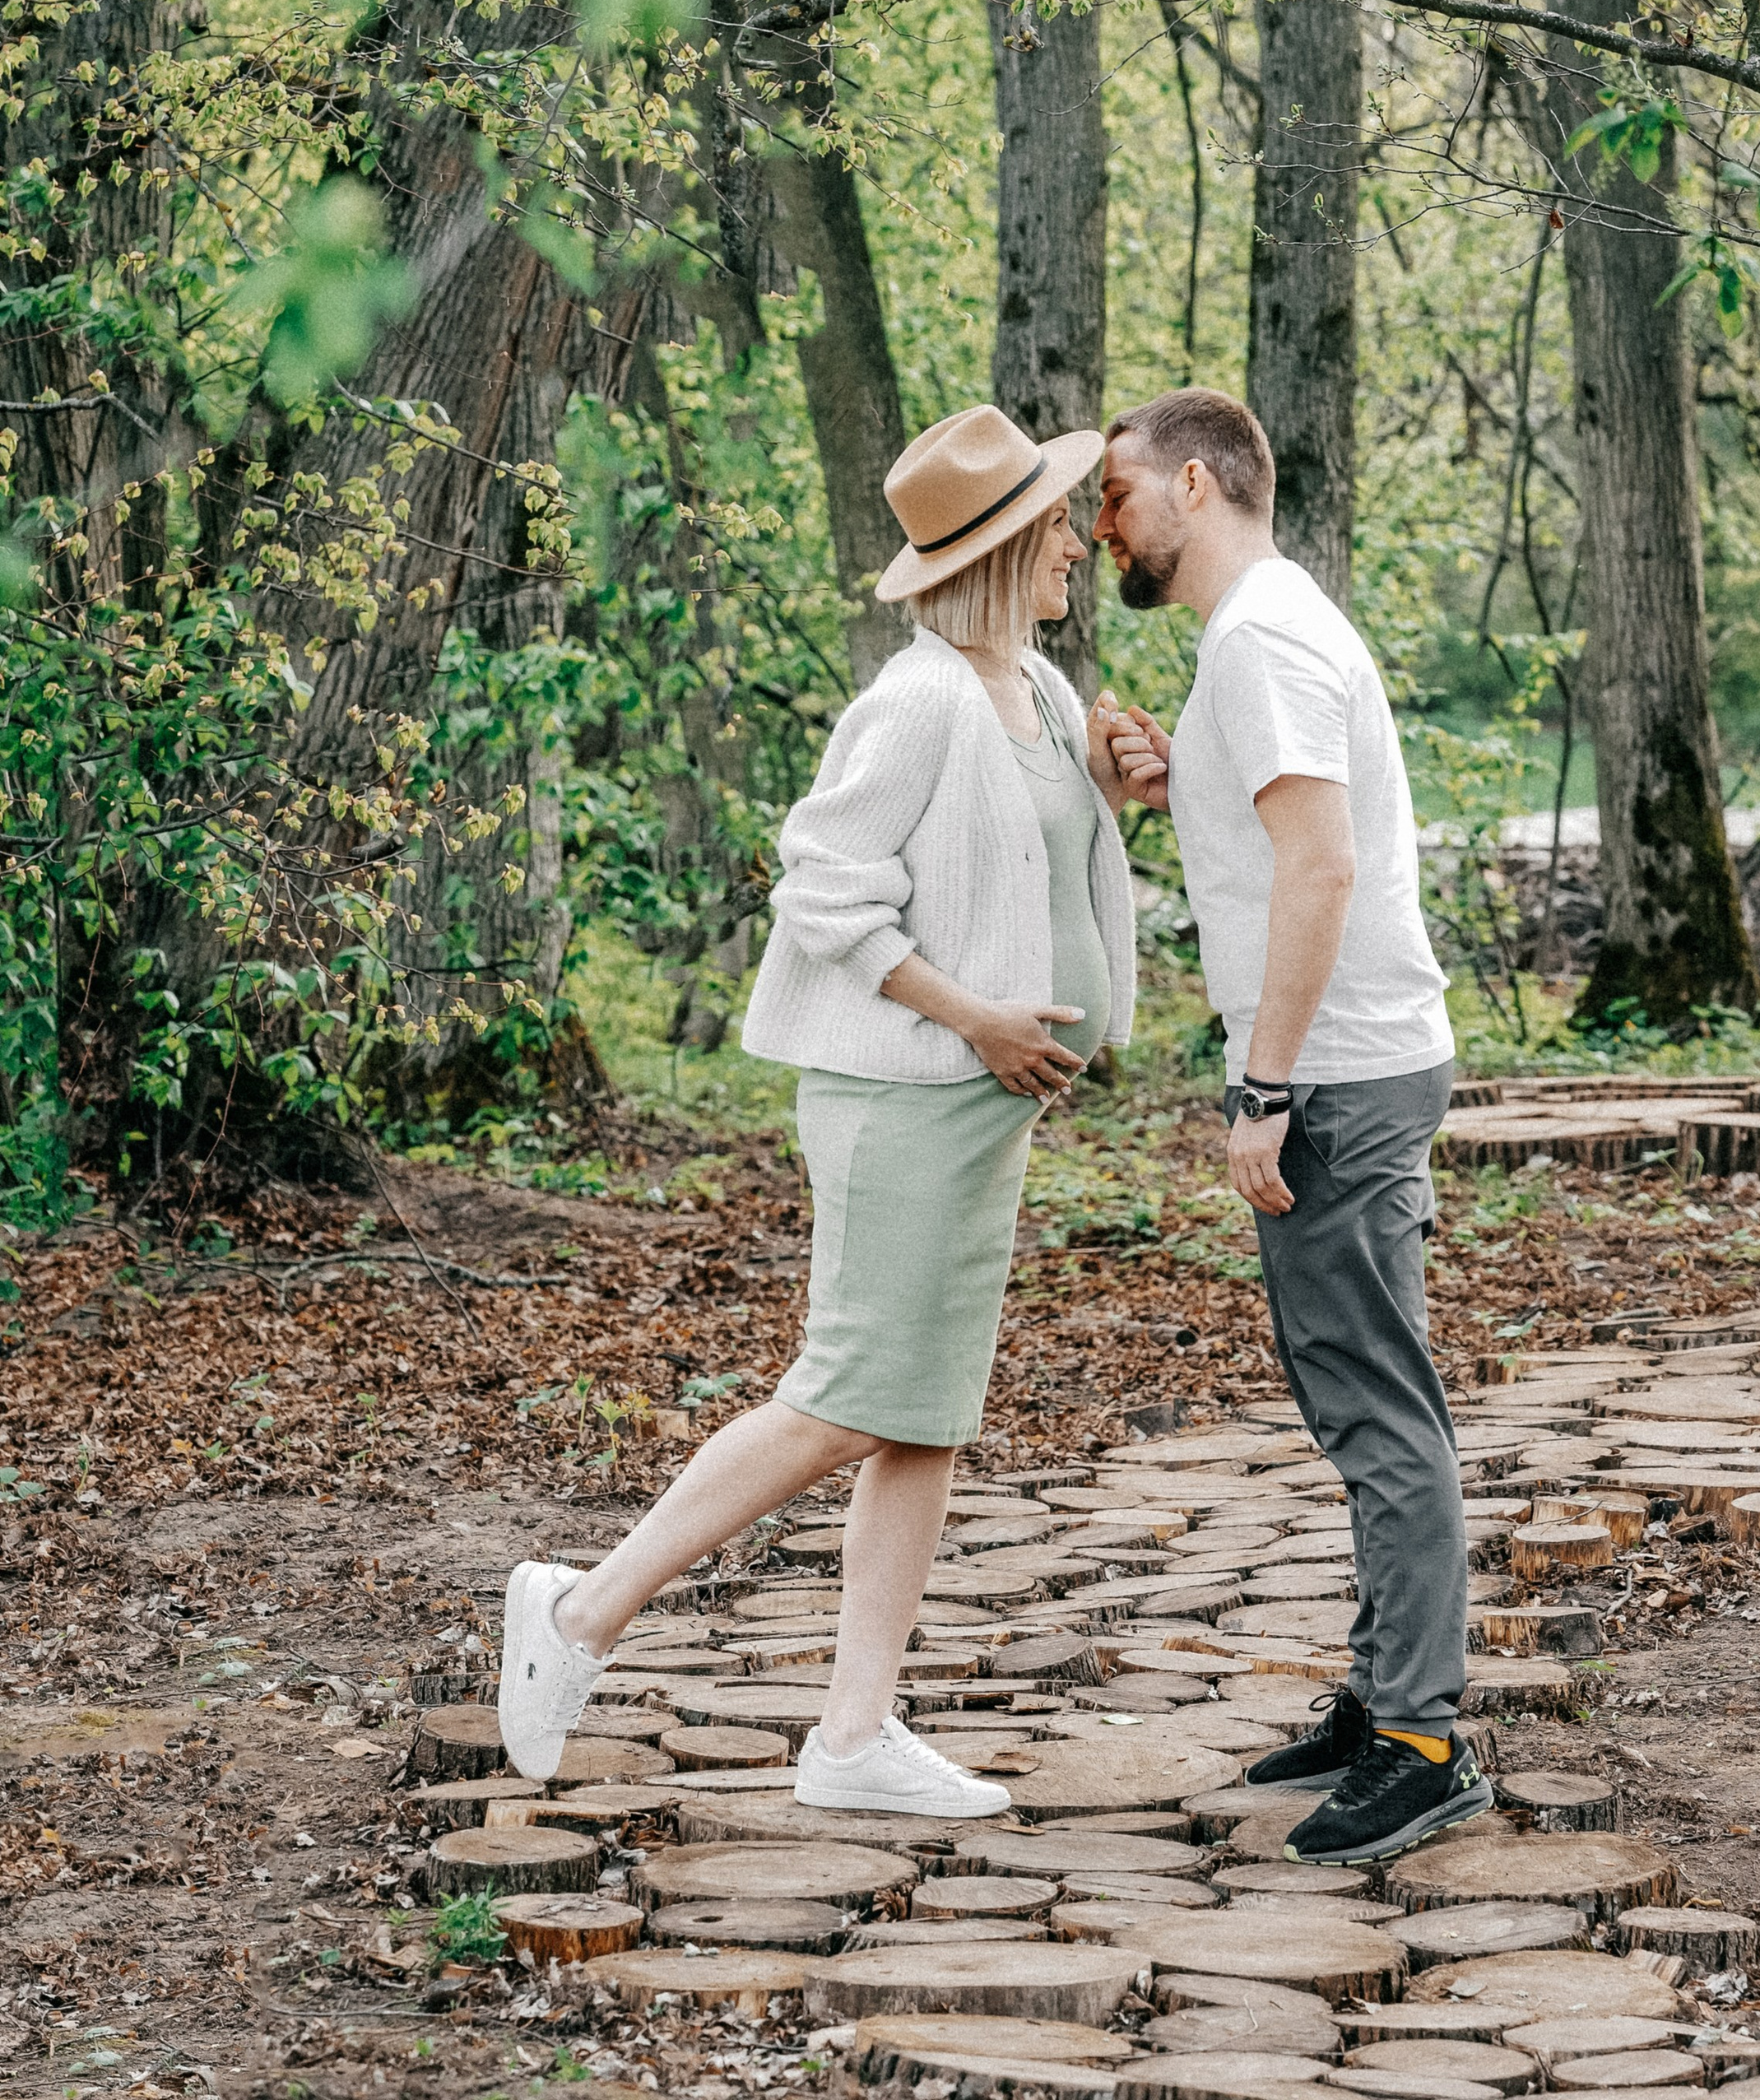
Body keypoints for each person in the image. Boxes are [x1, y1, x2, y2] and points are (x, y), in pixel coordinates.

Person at [499, 403, 1135, 1817]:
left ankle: (853, 1737)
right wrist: (974, 1017)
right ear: (1001, 548)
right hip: (904, 1093)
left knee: (923, 1416)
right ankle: (577, 1614)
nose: (1077, 552)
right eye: (1054, 533)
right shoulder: (910, 703)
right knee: (850, 1396)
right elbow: (824, 887)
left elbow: (1011, 865)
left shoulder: (1030, 690)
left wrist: (1106, 788)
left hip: (981, 1113)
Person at [1095, 387, 1486, 1867]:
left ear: (1197, 487)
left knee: (1378, 1406)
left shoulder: (1258, 638)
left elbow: (1319, 872)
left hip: (1337, 1074)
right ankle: (1385, 1694)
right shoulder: (1265, 629)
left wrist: (1263, 1088)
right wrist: (1166, 772)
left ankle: (1423, 1740)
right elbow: (1283, 833)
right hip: (1357, 1063)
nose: (1105, 527)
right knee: (1367, 1388)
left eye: (1119, 496)